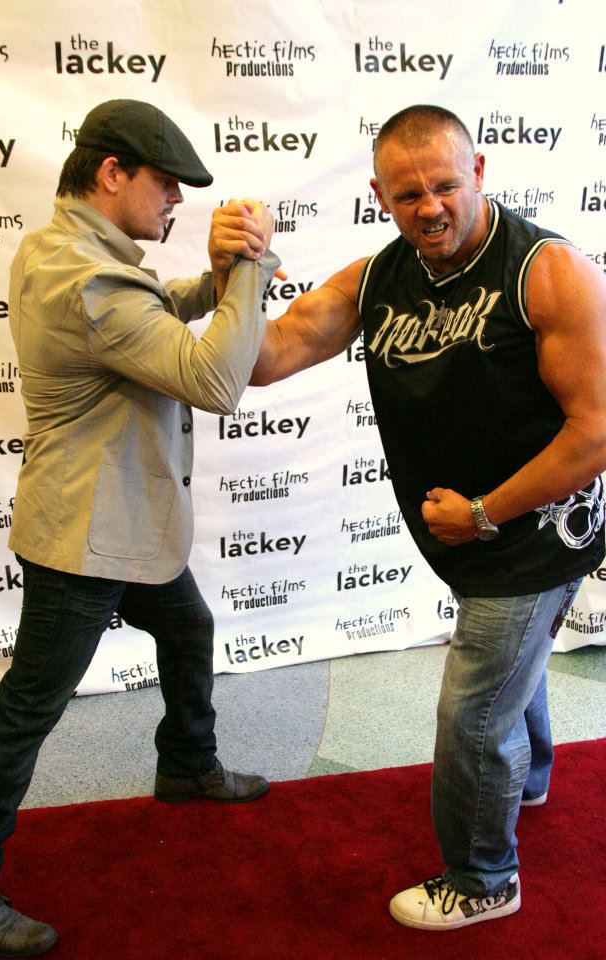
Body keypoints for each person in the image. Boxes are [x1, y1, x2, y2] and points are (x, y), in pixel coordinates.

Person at [250, 104, 606, 930]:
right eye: (409, 195)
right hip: (469, 530)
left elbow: (596, 432)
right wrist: (241, 274)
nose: (431, 207)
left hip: (540, 528)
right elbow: (268, 359)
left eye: (446, 185)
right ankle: (532, 776)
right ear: (380, 195)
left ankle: (484, 879)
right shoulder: (381, 278)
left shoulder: (548, 272)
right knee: (510, 666)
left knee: (473, 709)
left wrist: (484, 514)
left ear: (478, 172)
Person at [0, 98, 280, 957]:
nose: (175, 201)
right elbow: (214, 382)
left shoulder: (63, 246)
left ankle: (186, 765)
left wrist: (210, 282)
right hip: (87, 535)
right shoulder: (86, 275)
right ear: (113, 173)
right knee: (29, 709)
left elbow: (141, 313)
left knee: (188, 626)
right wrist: (248, 268)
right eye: (166, 185)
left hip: (119, 519)